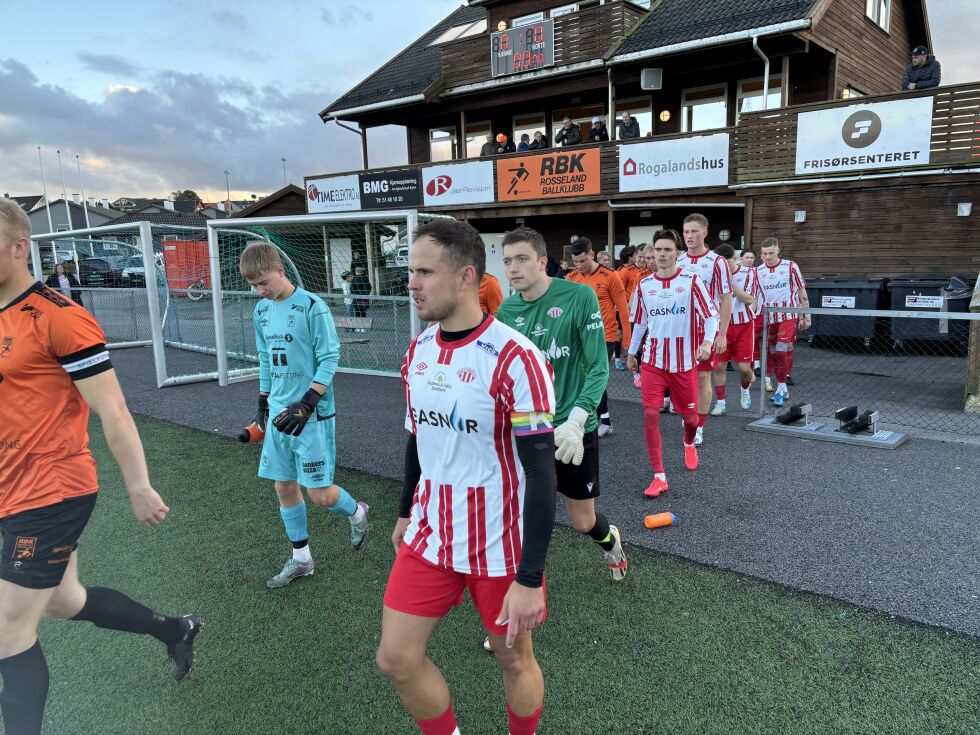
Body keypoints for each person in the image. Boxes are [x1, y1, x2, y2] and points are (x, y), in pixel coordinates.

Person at [0, 198, 200, 735]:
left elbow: (111, 407)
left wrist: (138, 485)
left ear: (19, 247)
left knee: (7, 630)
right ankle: (173, 629)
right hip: (7, 485)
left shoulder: (60, 317)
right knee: (64, 601)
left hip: (51, 489)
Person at [377, 219, 557, 735]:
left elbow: (542, 473)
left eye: (425, 271)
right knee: (396, 659)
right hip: (431, 533)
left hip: (500, 544)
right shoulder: (418, 352)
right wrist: (406, 509)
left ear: (465, 277)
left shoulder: (515, 358)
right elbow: (417, 439)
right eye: (410, 270)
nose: (412, 282)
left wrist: (529, 577)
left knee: (514, 661)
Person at [498, 226, 628, 582]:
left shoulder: (578, 297)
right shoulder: (506, 311)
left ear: (543, 262)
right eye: (508, 261)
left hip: (574, 428)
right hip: (528, 428)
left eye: (522, 259)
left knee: (583, 521)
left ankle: (612, 542)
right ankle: (516, 606)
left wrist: (579, 416)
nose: (513, 268)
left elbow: (599, 365)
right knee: (522, 514)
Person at [240, 242, 369, 589]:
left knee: (320, 494)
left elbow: (330, 357)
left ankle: (358, 512)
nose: (260, 290)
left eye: (264, 282)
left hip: (311, 415)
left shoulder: (312, 307)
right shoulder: (261, 312)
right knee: (284, 487)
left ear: (280, 270)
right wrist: (263, 403)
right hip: (281, 415)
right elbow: (266, 359)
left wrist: (309, 402)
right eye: (254, 285)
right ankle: (302, 559)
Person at [626, 229, 718, 498]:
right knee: (651, 414)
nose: (662, 255)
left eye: (667, 250)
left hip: (685, 362)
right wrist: (632, 353)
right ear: (652, 254)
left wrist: (707, 342)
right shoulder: (644, 285)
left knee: (690, 419)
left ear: (677, 254)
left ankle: (689, 441)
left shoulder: (691, 281)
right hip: (653, 362)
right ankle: (659, 476)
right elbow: (641, 322)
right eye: (658, 250)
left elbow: (711, 316)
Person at [676, 214, 732, 446]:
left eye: (694, 231)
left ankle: (698, 425)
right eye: (686, 231)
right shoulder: (678, 260)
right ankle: (688, 413)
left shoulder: (717, 262)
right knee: (681, 378)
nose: (689, 236)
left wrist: (722, 333)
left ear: (705, 233)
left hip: (705, 330)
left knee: (702, 376)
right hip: (680, 329)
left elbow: (726, 299)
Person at [565, 238, 631, 436]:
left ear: (592, 254)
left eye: (583, 261)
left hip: (605, 335)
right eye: (575, 262)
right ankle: (598, 418)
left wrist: (627, 341)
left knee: (595, 376)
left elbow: (623, 309)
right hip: (580, 336)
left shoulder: (610, 276)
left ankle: (604, 420)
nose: (579, 266)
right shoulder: (571, 278)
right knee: (582, 377)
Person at [756, 238, 810, 407]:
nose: (768, 257)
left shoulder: (790, 266)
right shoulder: (758, 271)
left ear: (778, 251)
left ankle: (780, 389)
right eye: (764, 254)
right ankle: (783, 388)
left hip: (788, 314)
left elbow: (801, 291)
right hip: (770, 317)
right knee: (773, 352)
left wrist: (806, 315)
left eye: (771, 253)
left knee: (780, 351)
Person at [711, 244, 759, 414]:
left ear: (735, 259)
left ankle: (744, 390)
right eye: (721, 264)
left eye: (728, 263)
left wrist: (729, 283)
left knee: (745, 369)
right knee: (720, 366)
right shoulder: (713, 274)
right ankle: (721, 403)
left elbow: (749, 299)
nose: (724, 267)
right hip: (721, 325)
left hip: (744, 325)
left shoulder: (749, 273)